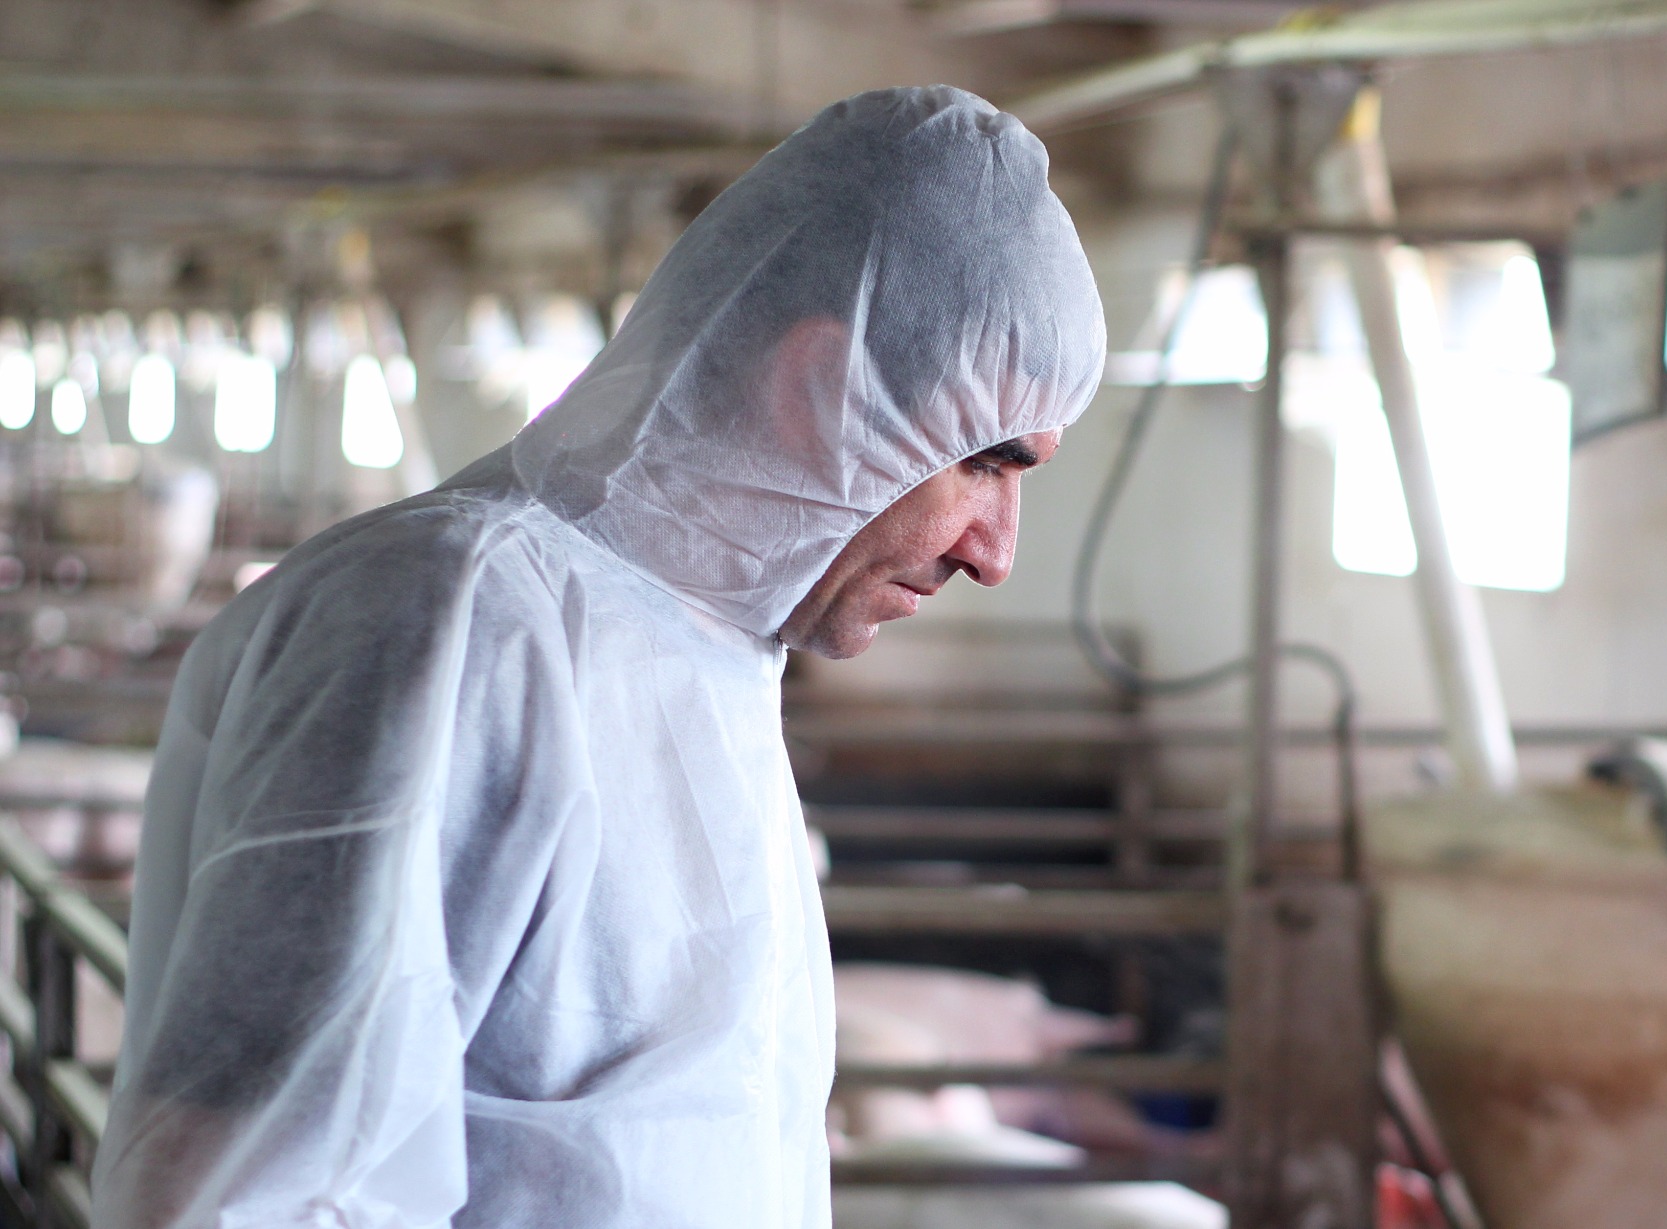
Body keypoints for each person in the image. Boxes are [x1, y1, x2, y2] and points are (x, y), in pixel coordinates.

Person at [90, 85, 1105, 1228]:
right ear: (825, 387)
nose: (996, 552)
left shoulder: (713, 648)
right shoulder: (462, 620)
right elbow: (240, 1195)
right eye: (984, 462)